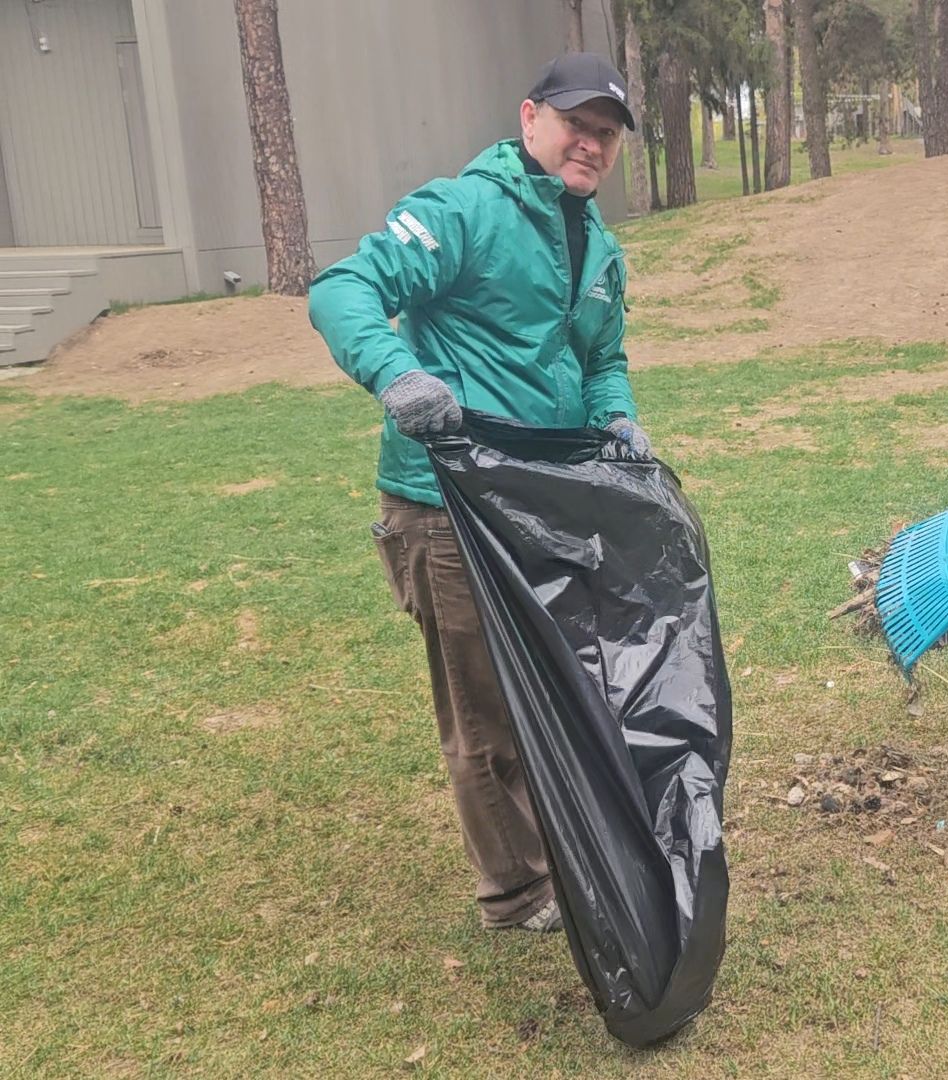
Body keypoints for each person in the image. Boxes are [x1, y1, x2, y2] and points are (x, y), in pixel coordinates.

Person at [309, 53, 648, 930]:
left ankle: (560, 850)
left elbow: (601, 356)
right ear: (531, 117)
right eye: (580, 123)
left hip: (543, 501)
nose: (593, 144)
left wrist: (617, 418)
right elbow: (345, 287)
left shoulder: (595, 242)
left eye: (607, 134)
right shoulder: (460, 210)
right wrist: (395, 375)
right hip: (446, 505)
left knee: (557, 682)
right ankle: (515, 887)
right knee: (483, 705)